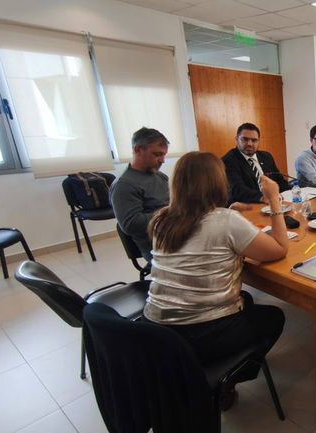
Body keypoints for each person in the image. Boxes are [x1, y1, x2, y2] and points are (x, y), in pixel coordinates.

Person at [144, 151, 288, 411]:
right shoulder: (225, 221)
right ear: (218, 182)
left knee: (247, 300)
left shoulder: (161, 219)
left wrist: (229, 213)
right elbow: (279, 248)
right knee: (274, 317)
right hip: (200, 334)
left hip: (156, 330)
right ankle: (227, 381)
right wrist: (275, 200)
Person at [111, 127, 170, 262]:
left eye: (164, 155)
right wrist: (172, 211)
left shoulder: (160, 176)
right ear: (138, 150)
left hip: (174, 234)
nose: (162, 160)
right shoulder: (124, 185)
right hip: (156, 246)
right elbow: (130, 224)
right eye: (157, 154)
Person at [222, 122, 290, 205]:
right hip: (247, 206)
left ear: (259, 141)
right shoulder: (228, 160)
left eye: (254, 140)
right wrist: (262, 197)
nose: (250, 144)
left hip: (273, 203)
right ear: (237, 139)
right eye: (245, 139)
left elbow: (279, 180)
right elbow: (237, 189)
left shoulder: (266, 156)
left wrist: (291, 192)